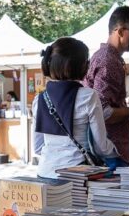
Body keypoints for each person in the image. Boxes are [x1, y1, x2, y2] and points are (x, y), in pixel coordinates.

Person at [33, 37, 119, 178]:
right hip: (76, 175)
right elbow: (101, 146)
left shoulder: (39, 99)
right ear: (82, 66)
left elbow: (37, 147)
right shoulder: (88, 96)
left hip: (44, 173)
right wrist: (118, 152)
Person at [83, 5, 129, 164]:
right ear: (120, 31)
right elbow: (103, 112)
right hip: (111, 150)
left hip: (109, 147)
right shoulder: (109, 61)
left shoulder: (104, 57)